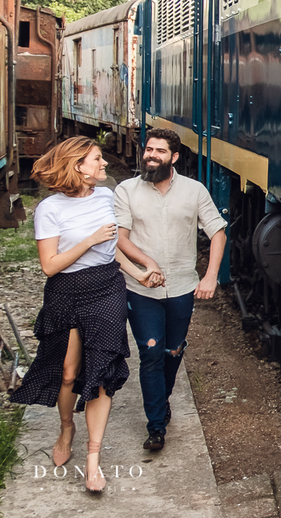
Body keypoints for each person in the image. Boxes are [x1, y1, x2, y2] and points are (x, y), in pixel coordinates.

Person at [11, 137, 162, 493]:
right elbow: (50, 266)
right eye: (98, 159)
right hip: (66, 291)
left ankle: (93, 461)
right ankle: (67, 428)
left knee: (100, 373)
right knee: (67, 374)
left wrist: (138, 273)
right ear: (78, 165)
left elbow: (111, 252)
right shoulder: (50, 209)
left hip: (107, 288)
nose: (105, 164)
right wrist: (89, 240)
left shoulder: (106, 197)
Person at [114, 127, 226, 451]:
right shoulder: (126, 191)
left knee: (172, 352)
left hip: (181, 288)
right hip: (140, 288)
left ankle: (161, 404)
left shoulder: (194, 191)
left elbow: (218, 233)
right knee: (150, 351)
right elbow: (120, 238)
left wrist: (211, 276)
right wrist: (144, 266)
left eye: (159, 151)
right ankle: (156, 425)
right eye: (148, 149)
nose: (151, 155)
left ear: (174, 157)